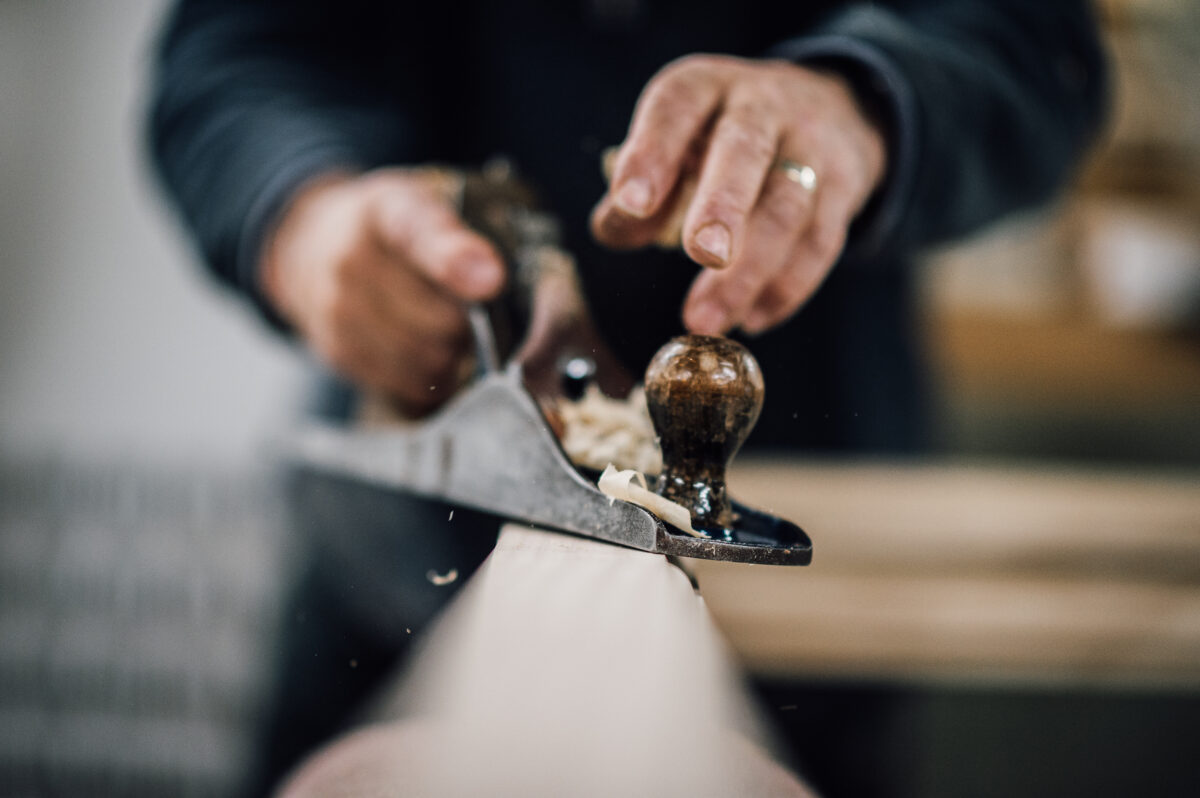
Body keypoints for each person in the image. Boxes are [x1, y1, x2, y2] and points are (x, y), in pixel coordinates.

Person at [147, 1, 1108, 794]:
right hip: (397, 554)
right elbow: (231, 54)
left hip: (825, 550)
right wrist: (301, 216)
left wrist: (865, 102)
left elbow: (1039, 45)